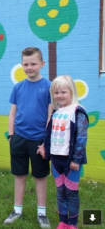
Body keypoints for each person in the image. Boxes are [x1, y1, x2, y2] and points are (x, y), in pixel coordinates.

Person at [4, 47, 52, 228]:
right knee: (20, 175)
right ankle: (17, 210)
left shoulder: (49, 87)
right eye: (26, 64)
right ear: (21, 65)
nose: (29, 67)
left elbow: (50, 116)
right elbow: (12, 114)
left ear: (42, 64)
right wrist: (11, 135)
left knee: (40, 176)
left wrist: (46, 141)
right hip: (19, 139)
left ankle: (42, 213)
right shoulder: (18, 87)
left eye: (33, 63)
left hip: (39, 140)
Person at [37, 75, 88, 229]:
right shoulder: (56, 112)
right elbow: (49, 134)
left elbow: (81, 137)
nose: (59, 96)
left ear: (71, 92)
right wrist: (45, 148)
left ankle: (72, 224)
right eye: (56, 93)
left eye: (63, 92)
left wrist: (76, 160)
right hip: (56, 161)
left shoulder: (77, 111)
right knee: (60, 192)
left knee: (71, 193)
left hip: (71, 161)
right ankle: (63, 222)